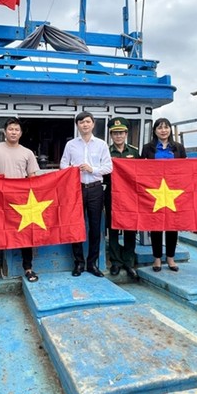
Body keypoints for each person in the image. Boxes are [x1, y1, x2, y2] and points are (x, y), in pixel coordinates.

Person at [0, 118, 40, 287]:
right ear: (5, 131)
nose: (13, 132)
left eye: (16, 129)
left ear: (21, 133)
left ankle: (28, 268)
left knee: (26, 233)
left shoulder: (27, 153)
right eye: (10, 129)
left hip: (21, 200)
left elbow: (32, 177)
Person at [60, 111, 113, 277]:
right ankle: (79, 263)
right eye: (81, 122)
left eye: (88, 122)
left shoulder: (102, 144)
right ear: (77, 125)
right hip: (76, 189)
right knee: (76, 225)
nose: (85, 125)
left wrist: (93, 169)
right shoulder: (71, 145)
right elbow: (63, 164)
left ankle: (92, 263)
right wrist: (72, 170)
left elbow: (108, 167)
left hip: (96, 188)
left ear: (93, 124)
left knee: (95, 227)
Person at [140, 118, 185, 272]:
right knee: (156, 225)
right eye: (159, 128)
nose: (163, 130)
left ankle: (171, 258)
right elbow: (141, 170)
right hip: (154, 193)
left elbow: (186, 169)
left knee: (173, 225)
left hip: (174, 193)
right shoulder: (148, 148)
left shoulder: (178, 148)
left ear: (170, 130)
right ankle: (157, 258)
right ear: (154, 131)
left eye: (166, 127)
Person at [103, 117, 139, 279]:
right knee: (114, 229)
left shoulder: (134, 152)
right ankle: (116, 262)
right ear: (111, 135)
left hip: (131, 196)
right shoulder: (106, 152)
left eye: (121, 133)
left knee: (131, 228)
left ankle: (129, 261)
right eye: (115, 133)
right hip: (112, 194)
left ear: (126, 134)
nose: (118, 136)